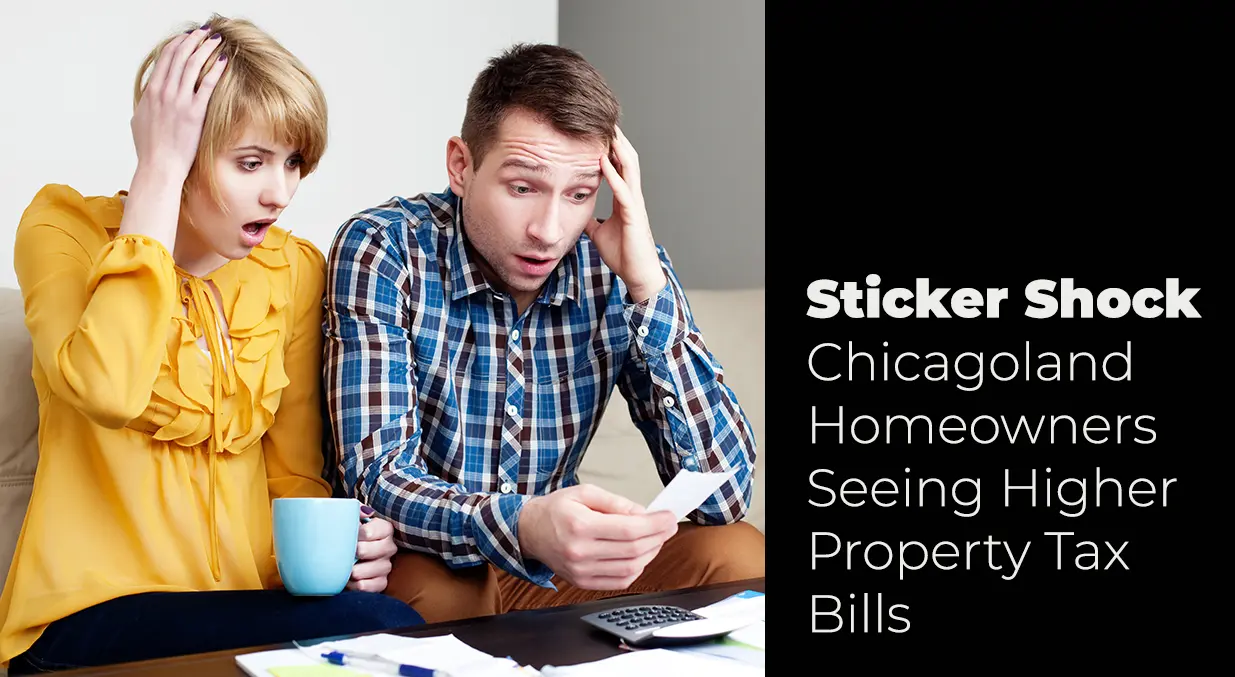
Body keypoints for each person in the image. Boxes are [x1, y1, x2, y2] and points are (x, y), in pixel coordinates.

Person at [0, 16, 423, 674]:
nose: (279, 192)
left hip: (241, 610)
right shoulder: (63, 229)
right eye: (251, 162)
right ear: (179, 147)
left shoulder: (292, 269)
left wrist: (350, 543)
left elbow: (292, 473)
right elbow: (107, 390)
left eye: (292, 163)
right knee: (385, 629)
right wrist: (158, 176)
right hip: (84, 619)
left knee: (390, 631)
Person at [322, 42, 764, 623]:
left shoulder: (615, 267)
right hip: (431, 560)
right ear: (461, 165)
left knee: (737, 553)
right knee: (454, 593)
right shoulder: (385, 248)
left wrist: (649, 288)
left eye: (580, 195)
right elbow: (377, 479)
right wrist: (525, 525)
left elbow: (724, 497)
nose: (549, 231)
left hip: (562, 574)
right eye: (523, 187)